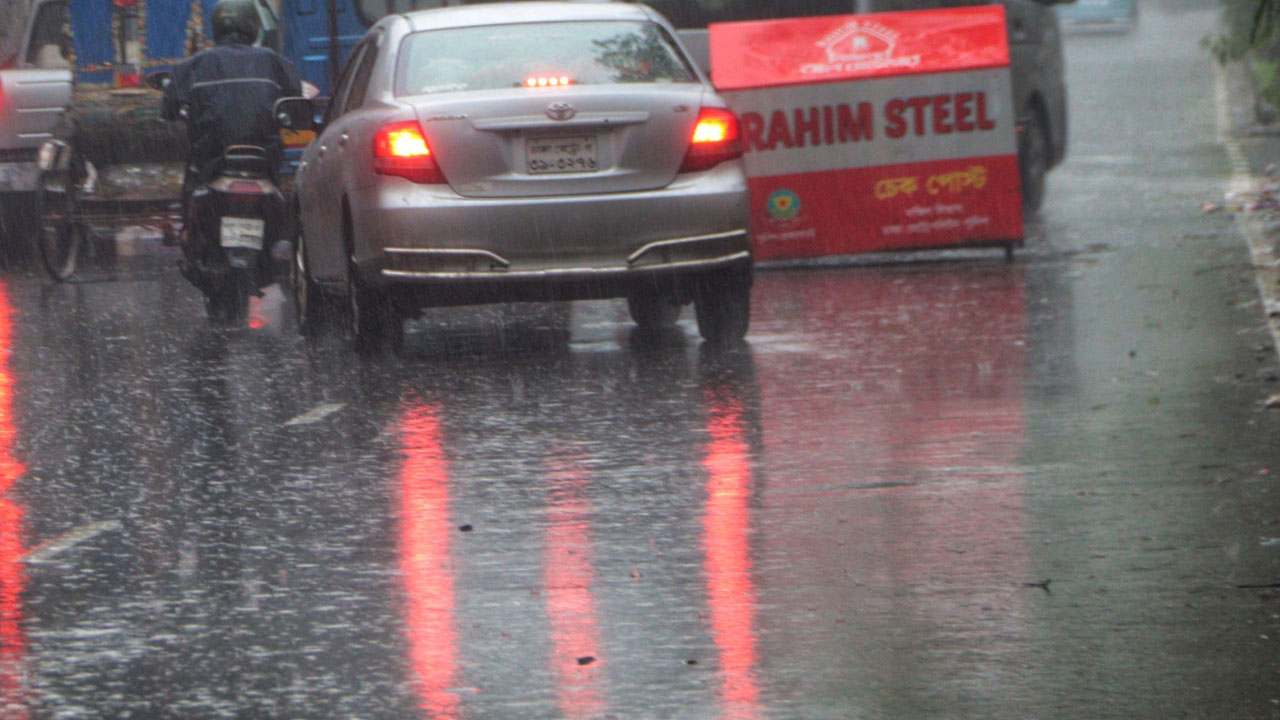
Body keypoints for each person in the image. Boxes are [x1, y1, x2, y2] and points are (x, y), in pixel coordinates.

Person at [162, 0, 301, 186]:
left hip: (210, 160)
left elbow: (168, 110)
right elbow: (296, 104)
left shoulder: (193, 65)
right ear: (253, 25)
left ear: (216, 27)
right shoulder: (274, 61)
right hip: (264, 160)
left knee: (193, 184)